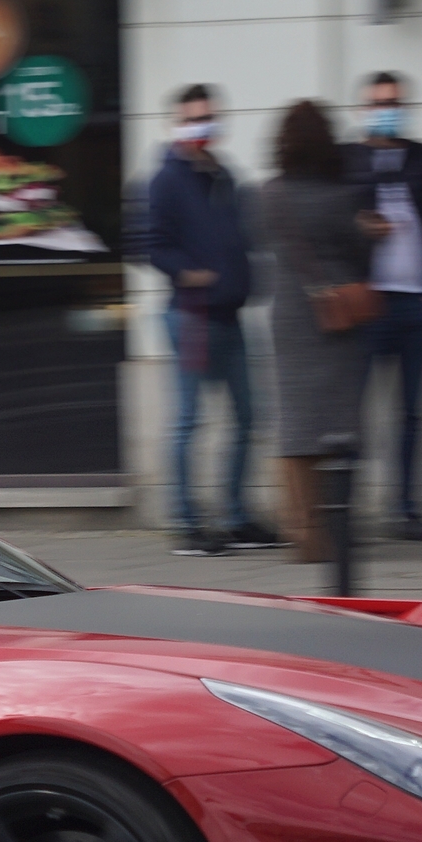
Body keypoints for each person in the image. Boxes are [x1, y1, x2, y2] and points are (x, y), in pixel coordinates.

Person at [129, 85, 282, 556]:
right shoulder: (164, 180)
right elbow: (147, 243)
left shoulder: (225, 175)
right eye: (193, 119)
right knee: (189, 421)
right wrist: (187, 272)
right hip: (191, 315)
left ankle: (235, 516)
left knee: (249, 415)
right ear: (175, 124)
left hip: (231, 313)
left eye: (208, 118)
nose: (202, 127)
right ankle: (187, 523)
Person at [343, 72, 422, 542]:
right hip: (370, 304)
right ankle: (344, 509)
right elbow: (333, 222)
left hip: (418, 303)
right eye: (377, 103)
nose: (386, 110)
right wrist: (361, 227)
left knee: (412, 412)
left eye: (393, 102)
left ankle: (407, 508)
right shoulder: (349, 159)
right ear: (363, 109)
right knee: (353, 413)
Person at [262, 100, 380, 564]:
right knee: (339, 428)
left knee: (294, 428)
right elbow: (360, 258)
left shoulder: (268, 194)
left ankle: (302, 530)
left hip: (289, 317)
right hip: (336, 320)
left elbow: (261, 242)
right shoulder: (341, 196)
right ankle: (338, 526)